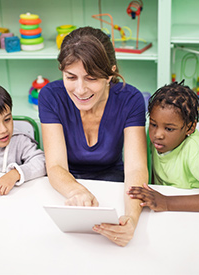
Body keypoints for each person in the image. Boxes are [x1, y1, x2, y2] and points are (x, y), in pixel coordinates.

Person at [38, 26, 148, 246]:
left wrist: (131, 220)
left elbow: (136, 169)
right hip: (66, 187)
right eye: (71, 77)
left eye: (91, 78)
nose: (80, 90)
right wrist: (77, 191)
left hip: (115, 185)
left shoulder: (130, 99)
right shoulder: (50, 96)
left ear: (110, 74)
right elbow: (56, 166)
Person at [128, 81, 199, 212]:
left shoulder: (196, 149)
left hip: (195, 215)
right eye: (153, 124)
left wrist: (166, 202)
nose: (157, 134)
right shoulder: (156, 140)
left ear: (190, 128)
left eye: (169, 129)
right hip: (167, 212)